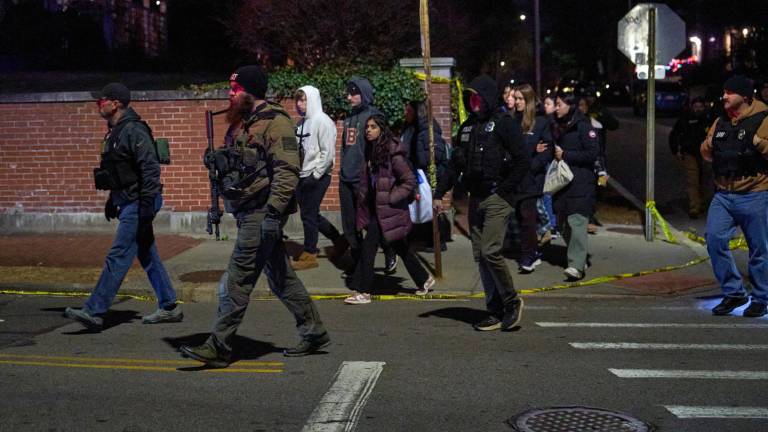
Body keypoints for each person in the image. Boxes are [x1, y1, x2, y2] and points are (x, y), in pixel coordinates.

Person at [180, 66, 330, 367]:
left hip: (262, 213)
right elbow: (239, 164)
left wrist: (274, 214)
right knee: (281, 278)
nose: (230, 94)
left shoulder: (276, 124)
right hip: (248, 211)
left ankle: (219, 345)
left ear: (250, 92)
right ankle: (313, 331)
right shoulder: (243, 124)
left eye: (235, 89)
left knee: (238, 278)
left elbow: (287, 173)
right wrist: (217, 162)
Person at [64, 82, 181, 331]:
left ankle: (93, 311)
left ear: (116, 103)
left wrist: (147, 205)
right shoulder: (115, 132)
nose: (99, 104)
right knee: (147, 253)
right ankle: (169, 305)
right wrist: (111, 200)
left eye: (101, 100)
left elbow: (150, 168)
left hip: (139, 201)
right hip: (128, 200)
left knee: (119, 254)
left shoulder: (134, 130)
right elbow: (118, 171)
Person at [435, 74, 529, 331]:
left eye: (478, 97)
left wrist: (505, 190)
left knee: (490, 251)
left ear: (487, 98)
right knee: (480, 256)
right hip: (476, 197)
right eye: (471, 98)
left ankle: (511, 302)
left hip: (497, 197)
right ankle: (494, 309)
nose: (474, 102)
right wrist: (438, 193)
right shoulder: (467, 127)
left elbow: (523, 160)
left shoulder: (504, 125)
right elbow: (455, 164)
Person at [344, 114, 436, 304]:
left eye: (373, 127)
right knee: (400, 247)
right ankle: (424, 279)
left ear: (382, 129)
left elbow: (409, 180)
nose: (368, 130)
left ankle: (363, 290)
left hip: (389, 210)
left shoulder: (392, 152)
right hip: (376, 209)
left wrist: (392, 197)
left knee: (369, 248)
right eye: (367, 127)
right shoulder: (370, 151)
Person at [701, 75, 768, 318]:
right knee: (714, 239)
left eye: (730, 92)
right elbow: (706, 154)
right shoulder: (721, 121)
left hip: (755, 193)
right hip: (724, 195)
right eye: (724, 91)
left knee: (759, 250)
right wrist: (708, 145)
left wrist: (759, 143)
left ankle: (761, 297)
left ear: (746, 96)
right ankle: (734, 292)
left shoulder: (764, 119)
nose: (725, 96)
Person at [339, 77, 398, 274]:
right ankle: (359, 263)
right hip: (346, 179)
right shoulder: (349, 119)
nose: (348, 97)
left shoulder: (374, 116)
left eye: (353, 93)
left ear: (363, 93)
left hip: (363, 180)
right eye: (348, 93)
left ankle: (390, 251)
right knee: (350, 225)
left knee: (371, 223)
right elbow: (344, 148)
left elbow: (382, 147)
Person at [291, 85, 343, 270]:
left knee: (308, 215)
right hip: (302, 174)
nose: (300, 104)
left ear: (312, 99)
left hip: (317, 175)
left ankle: (310, 254)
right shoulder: (300, 123)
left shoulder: (323, 121)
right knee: (311, 214)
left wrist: (316, 175)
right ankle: (339, 240)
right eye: (298, 100)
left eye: (303, 99)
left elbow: (328, 153)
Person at [551, 92, 599, 281]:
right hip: (563, 184)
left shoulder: (584, 126)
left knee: (577, 222)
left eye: (559, 104)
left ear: (570, 106)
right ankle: (579, 256)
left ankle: (576, 266)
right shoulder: (556, 126)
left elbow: (592, 153)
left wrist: (566, 155)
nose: (556, 108)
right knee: (563, 223)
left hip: (580, 183)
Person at [511, 84, 554, 273]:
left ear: (528, 101)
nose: (517, 102)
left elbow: (547, 150)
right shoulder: (512, 121)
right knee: (521, 217)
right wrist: (529, 151)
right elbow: (511, 150)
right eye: (516, 98)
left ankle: (527, 256)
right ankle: (533, 251)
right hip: (515, 177)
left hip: (531, 179)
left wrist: (532, 164)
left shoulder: (540, 123)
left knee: (528, 216)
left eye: (520, 99)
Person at [400, 100, 451, 252]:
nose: (405, 113)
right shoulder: (410, 128)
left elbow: (429, 157)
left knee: (429, 205)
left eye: (409, 111)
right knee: (420, 206)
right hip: (413, 172)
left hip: (424, 175)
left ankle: (437, 240)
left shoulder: (426, 130)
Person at [669, 97, 712, 219]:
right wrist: (675, 149)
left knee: (705, 180)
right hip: (690, 153)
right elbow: (675, 134)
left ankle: (702, 202)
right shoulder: (685, 119)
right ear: (692, 107)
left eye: (700, 106)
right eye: (696, 106)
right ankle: (694, 207)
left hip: (706, 154)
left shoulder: (709, 120)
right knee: (692, 181)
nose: (698, 109)